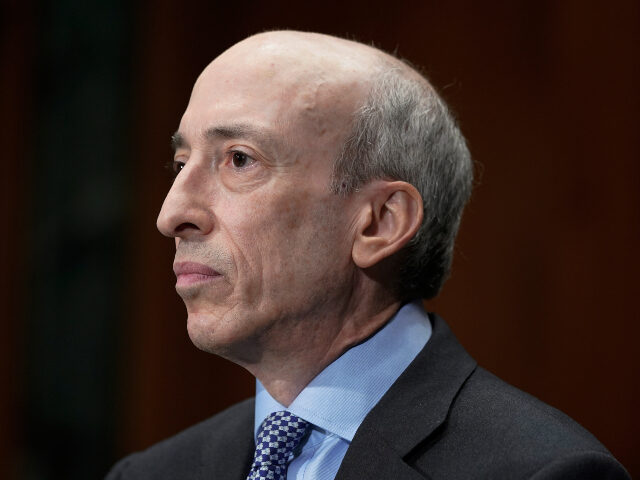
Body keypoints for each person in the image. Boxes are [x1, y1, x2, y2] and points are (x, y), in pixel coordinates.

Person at [106, 31, 629, 479]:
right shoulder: (152, 473)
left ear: (380, 222)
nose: (171, 214)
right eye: (180, 164)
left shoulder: (543, 472)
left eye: (239, 160)